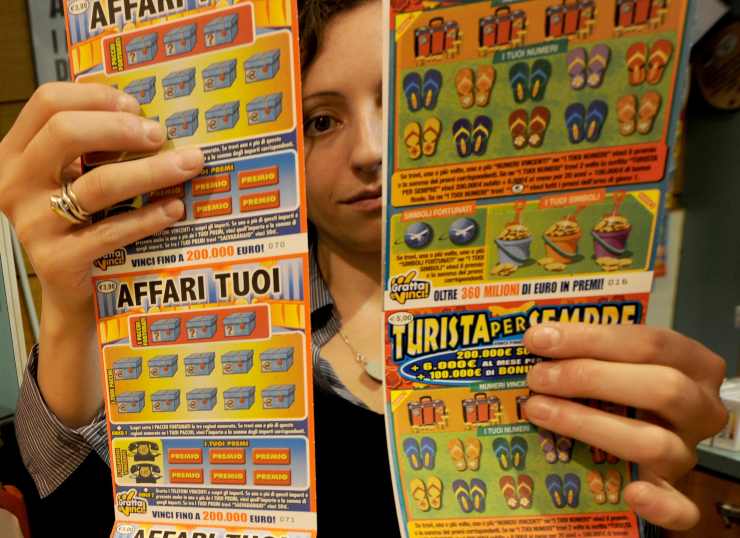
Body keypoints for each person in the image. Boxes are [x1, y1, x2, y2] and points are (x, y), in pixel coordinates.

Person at [0, 0, 728, 535]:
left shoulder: (568, 337)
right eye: (321, 120)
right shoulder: (210, 344)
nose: (373, 151)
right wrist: (68, 310)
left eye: (405, 101)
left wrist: (661, 495)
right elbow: (81, 511)